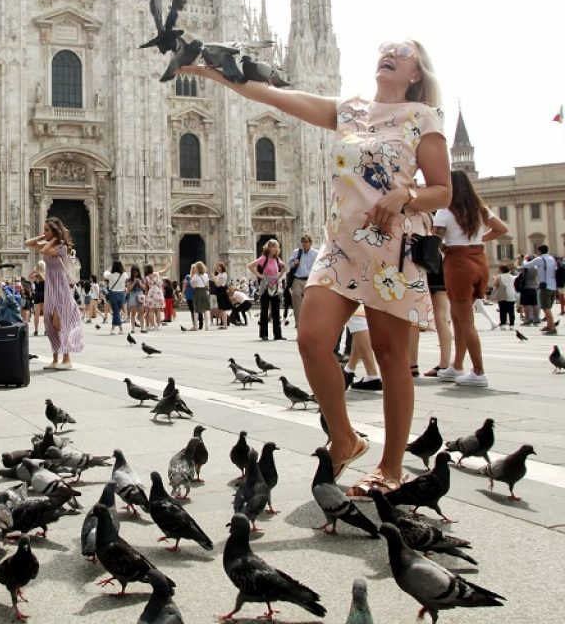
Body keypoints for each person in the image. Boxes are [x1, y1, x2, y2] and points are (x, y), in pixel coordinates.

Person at [181, 37, 451, 497]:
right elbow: (273, 95)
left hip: (391, 248)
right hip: (341, 245)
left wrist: (405, 195)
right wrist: (211, 72)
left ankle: (390, 467)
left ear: (416, 73)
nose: (389, 53)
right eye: (385, 48)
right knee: (311, 339)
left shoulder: (422, 118)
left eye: (402, 52)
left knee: (391, 358)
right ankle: (345, 437)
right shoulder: (350, 110)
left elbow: (442, 190)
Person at [432, 170, 507, 387]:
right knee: (457, 316)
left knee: (465, 320)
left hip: (458, 263)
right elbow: (502, 229)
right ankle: (457, 366)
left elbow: (434, 239)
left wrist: (445, 246)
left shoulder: (445, 211)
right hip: (479, 260)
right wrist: (479, 239)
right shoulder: (480, 209)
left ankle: (478, 371)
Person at [25, 216, 85, 369]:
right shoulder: (48, 243)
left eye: (47, 230)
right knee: (50, 322)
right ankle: (55, 359)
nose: (44, 232)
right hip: (50, 285)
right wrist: (43, 237)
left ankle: (67, 359)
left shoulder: (62, 247)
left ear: (54, 232)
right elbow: (28, 243)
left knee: (60, 321)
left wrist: (52, 240)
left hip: (60, 286)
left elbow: (44, 250)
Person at [248, 239, 287, 342]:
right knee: (264, 311)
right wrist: (259, 275)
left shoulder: (277, 259)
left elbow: (284, 267)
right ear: (268, 248)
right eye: (273, 246)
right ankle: (263, 334)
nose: (275, 249)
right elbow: (250, 265)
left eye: (276, 246)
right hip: (265, 287)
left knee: (276, 311)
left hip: (275, 287)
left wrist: (279, 275)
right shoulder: (264, 258)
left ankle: (278, 335)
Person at [522, 244, 559, 335]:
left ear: (539, 251)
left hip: (545, 287)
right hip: (553, 286)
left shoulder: (539, 259)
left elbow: (526, 265)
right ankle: (549, 325)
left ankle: (552, 328)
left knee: (546, 308)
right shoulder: (552, 258)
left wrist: (525, 259)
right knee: (548, 308)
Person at [287, 235, 318, 327]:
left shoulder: (315, 253)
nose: (304, 243)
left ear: (310, 243)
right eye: (303, 242)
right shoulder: (297, 252)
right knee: (297, 302)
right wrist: (294, 263)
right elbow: (290, 263)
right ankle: (299, 323)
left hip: (310, 280)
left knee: (310, 302)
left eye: (306, 242)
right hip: (297, 279)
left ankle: (310, 322)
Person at [103, 260, 127, 335]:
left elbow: (104, 274)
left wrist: (108, 269)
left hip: (113, 294)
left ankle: (119, 329)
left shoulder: (111, 275)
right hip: (121, 294)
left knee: (116, 311)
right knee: (117, 311)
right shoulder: (124, 274)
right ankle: (115, 329)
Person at [492, 264, 517, 329]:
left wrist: (494, 279)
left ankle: (503, 324)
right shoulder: (513, 277)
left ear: (501, 270)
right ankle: (511, 324)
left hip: (502, 295)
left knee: (502, 310)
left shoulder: (499, 277)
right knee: (511, 310)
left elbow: (495, 285)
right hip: (511, 295)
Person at [188, 261, 211, 330]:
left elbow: (193, 286)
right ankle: (207, 326)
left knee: (196, 310)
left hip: (197, 292)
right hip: (204, 292)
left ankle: (196, 326)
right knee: (206, 309)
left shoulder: (195, 276)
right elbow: (207, 284)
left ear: (197, 268)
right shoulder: (206, 275)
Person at [29, 260, 46, 336]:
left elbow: (29, 277)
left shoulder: (36, 276)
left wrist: (34, 270)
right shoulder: (46, 275)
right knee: (45, 314)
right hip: (44, 294)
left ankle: (36, 330)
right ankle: (46, 330)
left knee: (36, 314)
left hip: (37, 294)